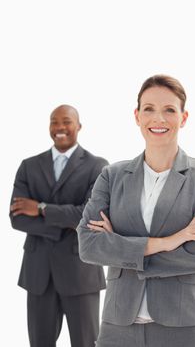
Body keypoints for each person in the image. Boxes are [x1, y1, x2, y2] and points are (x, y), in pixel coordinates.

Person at [77, 75, 195, 347]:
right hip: (118, 328)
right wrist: (169, 242)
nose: (159, 118)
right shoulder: (112, 176)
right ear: (137, 116)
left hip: (184, 327)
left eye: (169, 109)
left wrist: (121, 248)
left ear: (184, 117)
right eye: (149, 109)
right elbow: (88, 246)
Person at [10, 104, 108, 347]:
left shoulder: (98, 166)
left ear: (79, 126)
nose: (60, 128)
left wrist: (42, 209)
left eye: (66, 121)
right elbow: (17, 217)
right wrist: (64, 224)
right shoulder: (28, 166)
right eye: (54, 122)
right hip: (38, 273)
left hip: (80, 272)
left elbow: (90, 216)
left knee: (86, 343)